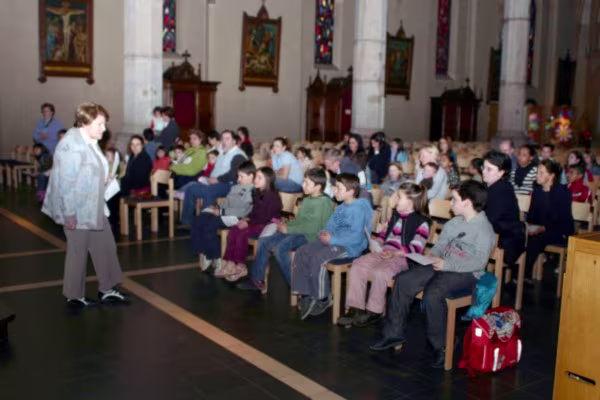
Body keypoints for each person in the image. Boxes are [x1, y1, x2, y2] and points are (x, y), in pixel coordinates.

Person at [370, 180, 495, 368]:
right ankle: (393, 334)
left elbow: (479, 262)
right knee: (403, 280)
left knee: (433, 293)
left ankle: (441, 345)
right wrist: (432, 256)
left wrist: (447, 264)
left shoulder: (484, 229)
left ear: (467, 202)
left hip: (467, 273)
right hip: (442, 265)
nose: (450, 203)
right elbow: (440, 246)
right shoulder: (454, 223)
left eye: (454, 199)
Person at [42, 102, 128, 307]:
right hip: (77, 208)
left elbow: (90, 169)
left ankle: (106, 289)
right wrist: (70, 213)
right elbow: (66, 183)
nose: (104, 129)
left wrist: (105, 179)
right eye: (100, 124)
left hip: (93, 204)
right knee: (78, 252)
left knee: (105, 245)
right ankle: (74, 295)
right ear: (85, 122)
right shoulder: (71, 146)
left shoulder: (89, 139)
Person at [338, 182, 431, 328]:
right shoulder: (395, 216)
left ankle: (374, 311)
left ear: (411, 201)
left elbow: (416, 248)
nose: (395, 200)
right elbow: (383, 235)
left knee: (380, 272)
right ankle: (355, 308)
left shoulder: (422, 222)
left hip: (403, 258)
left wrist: (395, 253)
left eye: (399, 197)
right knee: (357, 265)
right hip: (384, 252)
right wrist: (376, 242)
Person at [237, 168, 334, 292]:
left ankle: (297, 285)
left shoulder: (323, 202)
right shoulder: (307, 199)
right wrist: (286, 224)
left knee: (281, 248)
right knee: (264, 241)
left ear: (318, 187)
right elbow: (300, 221)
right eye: (303, 182)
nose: (303, 185)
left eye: (307, 183)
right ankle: (257, 280)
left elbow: (313, 227)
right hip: (299, 232)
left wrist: (288, 229)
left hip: (312, 236)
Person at [292, 174, 374, 320]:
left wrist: (333, 239)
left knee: (319, 258)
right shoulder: (341, 207)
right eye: (335, 187)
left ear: (351, 191)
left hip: (349, 248)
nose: (334, 190)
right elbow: (331, 224)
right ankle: (306, 293)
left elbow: (356, 238)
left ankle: (323, 298)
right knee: (302, 251)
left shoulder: (358, 209)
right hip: (334, 241)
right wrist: (325, 232)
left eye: (339, 188)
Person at [191, 161, 256, 273]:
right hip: (225, 213)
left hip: (236, 218)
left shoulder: (252, 191)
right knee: (199, 219)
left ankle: (216, 257)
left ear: (251, 176)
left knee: (210, 224)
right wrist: (216, 207)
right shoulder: (235, 187)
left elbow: (242, 211)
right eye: (238, 176)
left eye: (241, 176)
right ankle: (205, 251)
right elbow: (227, 202)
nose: (238, 179)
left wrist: (221, 211)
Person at [220, 167, 282, 281]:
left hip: (268, 225)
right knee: (234, 229)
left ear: (268, 180)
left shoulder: (272, 196)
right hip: (256, 222)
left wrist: (248, 223)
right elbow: (254, 211)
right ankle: (230, 262)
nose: (255, 180)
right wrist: (246, 219)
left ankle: (241, 265)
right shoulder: (258, 192)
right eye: (255, 177)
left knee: (242, 232)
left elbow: (265, 218)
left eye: (259, 178)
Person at [180, 130, 248, 225]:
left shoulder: (238, 155)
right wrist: (206, 178)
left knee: (209, 191)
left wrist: (217, 179)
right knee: (191, 189)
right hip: (215, 183)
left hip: (230, 184)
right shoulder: (222, 153)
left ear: (234, 142)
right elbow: (214, 169)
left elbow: (234, 174)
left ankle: (205, 223)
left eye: (227, 139)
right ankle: (187, 222)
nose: (224, 141)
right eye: (222, 139)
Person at [525, 159, 574, 280]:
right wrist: (529, 226)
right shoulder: (537, 192)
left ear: (551, 175)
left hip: (559, 231)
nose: (537, 175)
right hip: (541, 229)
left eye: (541, 173)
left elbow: (562, 220)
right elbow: (531, 216)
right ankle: (522, 273)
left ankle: (523, 273)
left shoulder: (563, 192)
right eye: (537, 172)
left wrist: (543, 228)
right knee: (521, 234)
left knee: (537, 239)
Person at [482, 150, 525, 265]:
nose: (483, 171)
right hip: (494, 236)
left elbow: (491, 220)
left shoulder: (503, 190)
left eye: (489, 169)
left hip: (506, 243)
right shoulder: (489, 186)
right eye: (483, 167)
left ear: (501, 172)